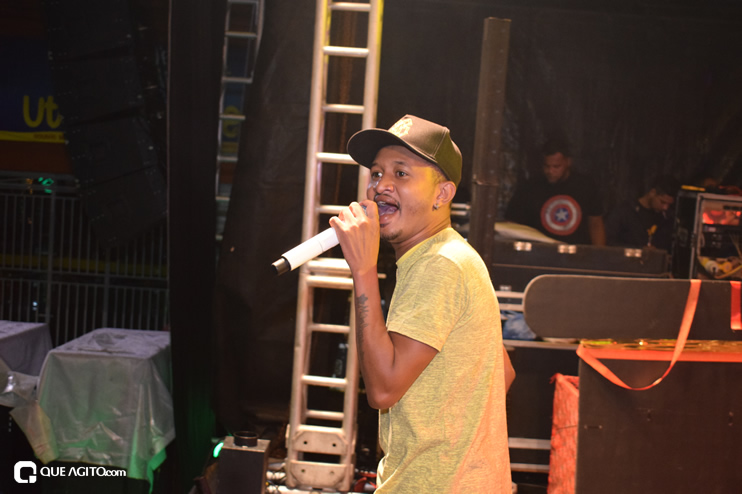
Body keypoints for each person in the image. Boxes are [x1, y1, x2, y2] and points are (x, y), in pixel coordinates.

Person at [329, 115, 514, 493]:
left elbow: (383, 391)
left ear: (442, 194)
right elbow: (504, 371)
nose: (381, 186)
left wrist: (363, 269)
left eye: (401, 173)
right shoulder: (445, 256)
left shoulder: (439, 264)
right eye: (376, 173)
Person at [505, 138, 606, 245]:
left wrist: (599, 253)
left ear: (568, 162)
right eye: (546, 166)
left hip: (576, 252)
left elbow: (595, 224)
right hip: (539, 251)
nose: (550, 171)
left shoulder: (585, 186)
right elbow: (512, 224)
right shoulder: (529, 187)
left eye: (556, 166)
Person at [605, 174, 680, 251]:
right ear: (652, 192)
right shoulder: (625, 211)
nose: (665, 207)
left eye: (669, 204)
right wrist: (639, 250)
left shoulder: (666, 218)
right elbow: (609, 242)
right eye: (662, 202)